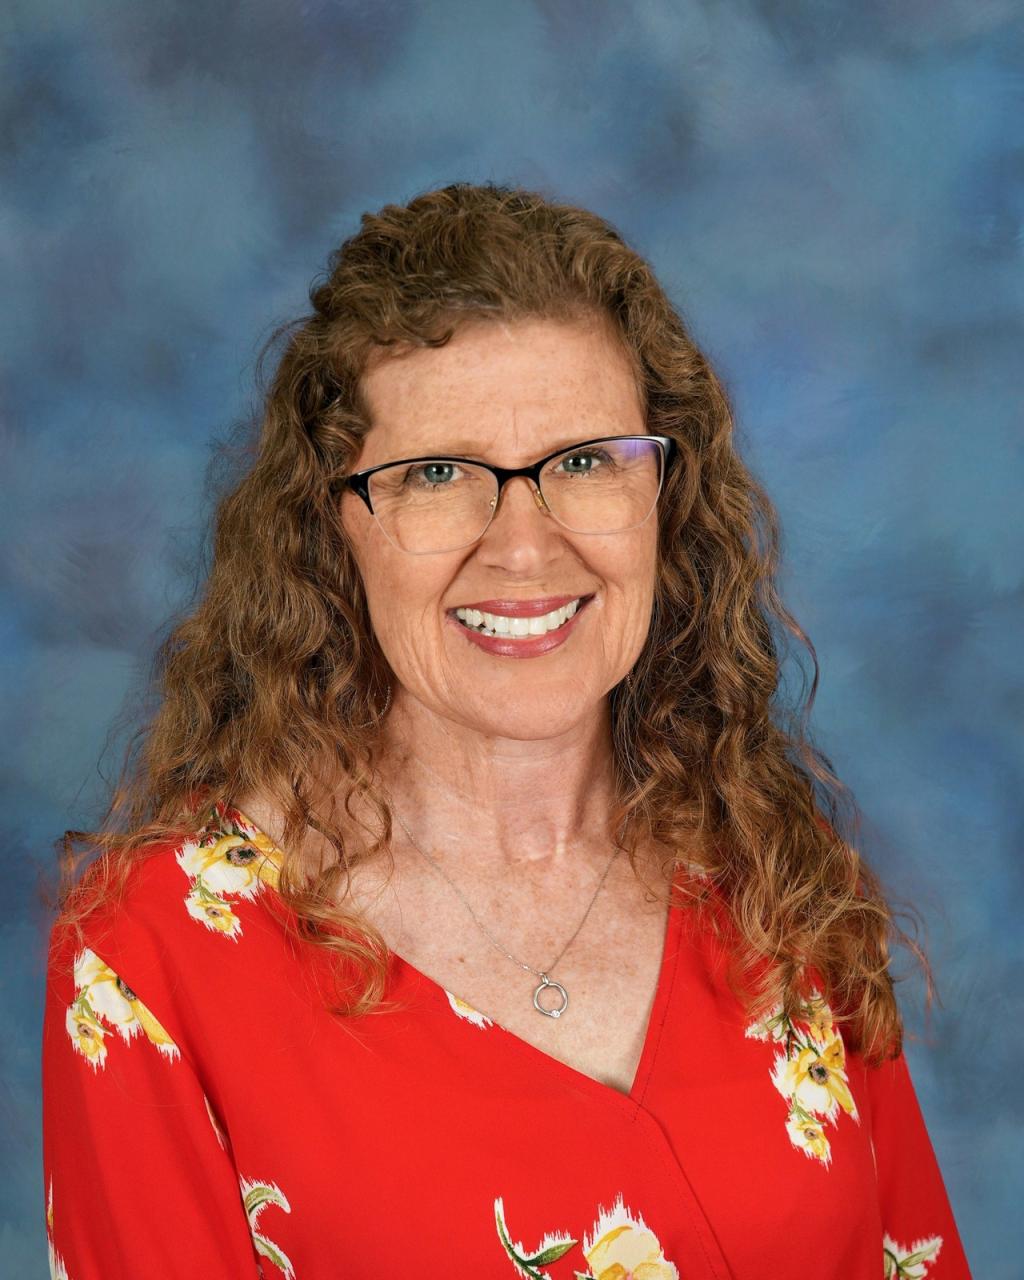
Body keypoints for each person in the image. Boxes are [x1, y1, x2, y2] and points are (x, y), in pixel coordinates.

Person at [41, 182, 972, 1279]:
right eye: (437, 474)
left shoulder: (772, 876)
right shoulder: (158, 958)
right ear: (334, 523)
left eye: (585, 461)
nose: (522, 547)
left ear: (664, 498)